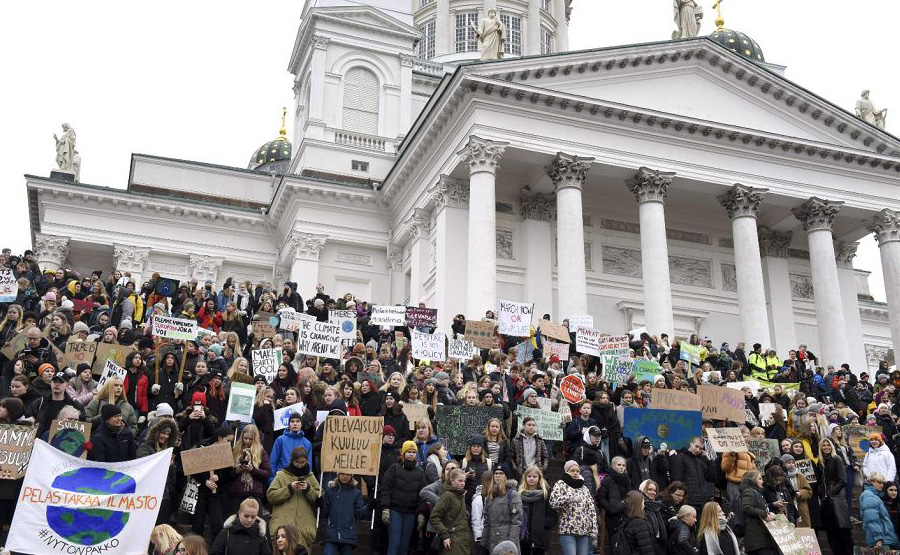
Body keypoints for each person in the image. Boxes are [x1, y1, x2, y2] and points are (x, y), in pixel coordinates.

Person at [267, 446, 319, 552]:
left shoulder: (311, 477)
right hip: (282, 529)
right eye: (297, 462)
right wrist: (289, 488)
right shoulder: (281, 475)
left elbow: (320, 498)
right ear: (292, 461)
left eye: (303, 462)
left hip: (304, 531)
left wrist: (308, 489)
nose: (300, 465)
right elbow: (271, 496)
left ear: (307, 461)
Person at [381, 440, 427, 555]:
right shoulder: (394, 469)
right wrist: (385, 508)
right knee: (394, 544)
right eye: (408, 452)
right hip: (395, 511)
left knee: (404, 546)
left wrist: (421, 513)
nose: (411, 454)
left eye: (413, 452)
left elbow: (422, 494)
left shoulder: (420, 473)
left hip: (410, 513)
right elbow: (385, 489)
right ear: (403, 453)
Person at [549, 460, 597, 555]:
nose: (575, 473)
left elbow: (591, 511)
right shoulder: (561, 484)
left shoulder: (584, 488)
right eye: (572, 470)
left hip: (584, 532)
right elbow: (553, 502)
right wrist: (569, 499)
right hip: (567, 530)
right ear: (567, 471)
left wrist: (594, 532)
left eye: (577, 471)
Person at [819, 438, 853, 555]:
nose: (826, 447)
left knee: (842, 534)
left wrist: (830, 493)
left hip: (837, 499)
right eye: (824, 445)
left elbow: (843, 480)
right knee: (831, 535)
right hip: (826, 502)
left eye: (828, 445)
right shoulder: (820, 462)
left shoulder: (836, 459)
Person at [229, 424, 272, 513]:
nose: (247, 441)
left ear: (255, 439)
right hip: (237, 493)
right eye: (245, 438)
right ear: (242, 437)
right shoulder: (236, 449)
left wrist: (252, 470)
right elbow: (229, 474)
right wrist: (237, 470)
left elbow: (267, 473)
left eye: (250, 439)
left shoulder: (261, 451)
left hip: (254, 493)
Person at [321, 472, 368, 555]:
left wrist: (369, 507)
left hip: (348, 533)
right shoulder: (330, 491)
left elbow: (358, 514)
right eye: (342, 474)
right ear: (338, 474)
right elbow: (324, 513)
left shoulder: (356, 493)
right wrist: (319, 504)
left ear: (352, 476)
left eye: (348, 474)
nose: (345, 476)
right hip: (331, 532)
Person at [430, 468, 472, 555]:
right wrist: (445, 536)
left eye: (464, 481)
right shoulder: (447, 495)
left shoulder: (461, 495)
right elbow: (435, 517)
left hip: (463, 539)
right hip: (451, 539)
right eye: (460, 480)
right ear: (452, 480)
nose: (463, 483)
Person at [481, 464, 522, 553]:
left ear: (506, 476)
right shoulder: (490, 495)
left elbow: (516, 521)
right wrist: (483, 543)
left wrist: (511, 544)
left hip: (507, 540)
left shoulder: (513, 494)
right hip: (492, 540)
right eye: (496, 473)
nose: (498, 476)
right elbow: (487, 521)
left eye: (501, 473)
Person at [671, 436, 715, 517]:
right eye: (696, 446)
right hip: (688, 501)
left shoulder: (702, 460)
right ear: (691, 444)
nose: (698, 450)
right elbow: (677, 480)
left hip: (702, 501)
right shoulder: (681, 457)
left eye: (701, 448)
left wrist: (709, 460)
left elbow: (711, 477)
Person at [518, 465, 556, 555]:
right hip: (523, 537)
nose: (532, 479)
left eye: (534, 476)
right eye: (529, 476)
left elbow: (552, 514)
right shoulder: (519, 494)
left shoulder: (546, 494)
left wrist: (543, 525)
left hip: (540, 537)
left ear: (539, 478)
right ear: (525, 477)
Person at [739, 471, 776, 555]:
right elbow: (746, 507)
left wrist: (769, 513)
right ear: (752, 480)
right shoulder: (749, 491)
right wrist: (764, 514)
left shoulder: (755, 492)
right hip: (758, 542)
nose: (762, 481)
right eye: (759, 479)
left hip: (761, 540)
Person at [861, 472, 900, 550]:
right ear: (871, 481)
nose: (882, 485)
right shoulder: (868, 495)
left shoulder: (874, 496)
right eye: (879, 482)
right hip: (882, 541)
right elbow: (872, 519)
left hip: (884, 540)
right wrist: (878, 539)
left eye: (882, 483)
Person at [270, 412, 313, 479]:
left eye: (298, 421)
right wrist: (272, 479)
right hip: (282, 477)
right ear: (289, 424)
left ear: (301, 424)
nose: (295, 423)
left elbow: (309, 465)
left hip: (300, 478)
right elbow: (273, 461)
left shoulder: (307, 443)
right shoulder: (280, 440)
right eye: (292, 421)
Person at [639, 480, 668, 555]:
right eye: (650, 489)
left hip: (657, 544)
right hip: (647, 545)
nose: (653, 492)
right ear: (643, 490)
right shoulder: (640, 506)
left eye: (655, 490)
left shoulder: (656, 506)